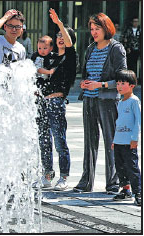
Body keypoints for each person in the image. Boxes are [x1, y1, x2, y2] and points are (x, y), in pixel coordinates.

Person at [73, 13, 127, 194]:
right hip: (89, 99)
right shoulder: (90, 48)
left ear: (106, 28)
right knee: (89, 142)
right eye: (92, 29)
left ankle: (113, 183)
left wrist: (100, 85)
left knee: (110, 141)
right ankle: (86, 181)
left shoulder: (116, 49)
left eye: (97, 29)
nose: (94, 32)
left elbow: (122, 79)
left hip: (108, 101)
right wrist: (85, 83)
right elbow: (88, 74)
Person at [33, 8, 77, 191]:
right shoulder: (49, 56)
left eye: (63, 35)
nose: (60, 38)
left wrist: (59, 22)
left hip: (57, 102)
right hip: (42, 102)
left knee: (59, 141)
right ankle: (47, 174)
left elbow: (68, 44)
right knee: (44, 141)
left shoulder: (70, 57)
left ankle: (64, 176)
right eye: (57, 35)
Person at [111, 70, 141, 206]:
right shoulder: (121, 102)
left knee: (132, 167)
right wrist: (114, 140)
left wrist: (135, 139)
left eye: (123, 83)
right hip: (119, 141)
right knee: (120, 167)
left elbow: (138, 121)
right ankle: (125, 189)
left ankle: (138, 192)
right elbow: (119, 122)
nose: (119, 86)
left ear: (132, 85)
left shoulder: (134, 101)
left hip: (129, 142)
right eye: (118, 83)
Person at [0, 9, 26, 99]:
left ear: (22, 30)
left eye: (17, 27)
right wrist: (5, 17)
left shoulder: (21, 49)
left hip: (10, 96)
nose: (14, 29)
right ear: (5, 27)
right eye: (10, 26)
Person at [122, 17, 141, 82]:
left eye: (137, 21)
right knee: (130, 63)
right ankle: (129, 78)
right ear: (132, 22)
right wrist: (127, 47)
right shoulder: (128, 30)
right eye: (134, 21)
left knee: (136, 64)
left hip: (138, 49)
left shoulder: (140, 30)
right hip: (130, 49)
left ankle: (135, 78)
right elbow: (125, 39)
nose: (135, 23)